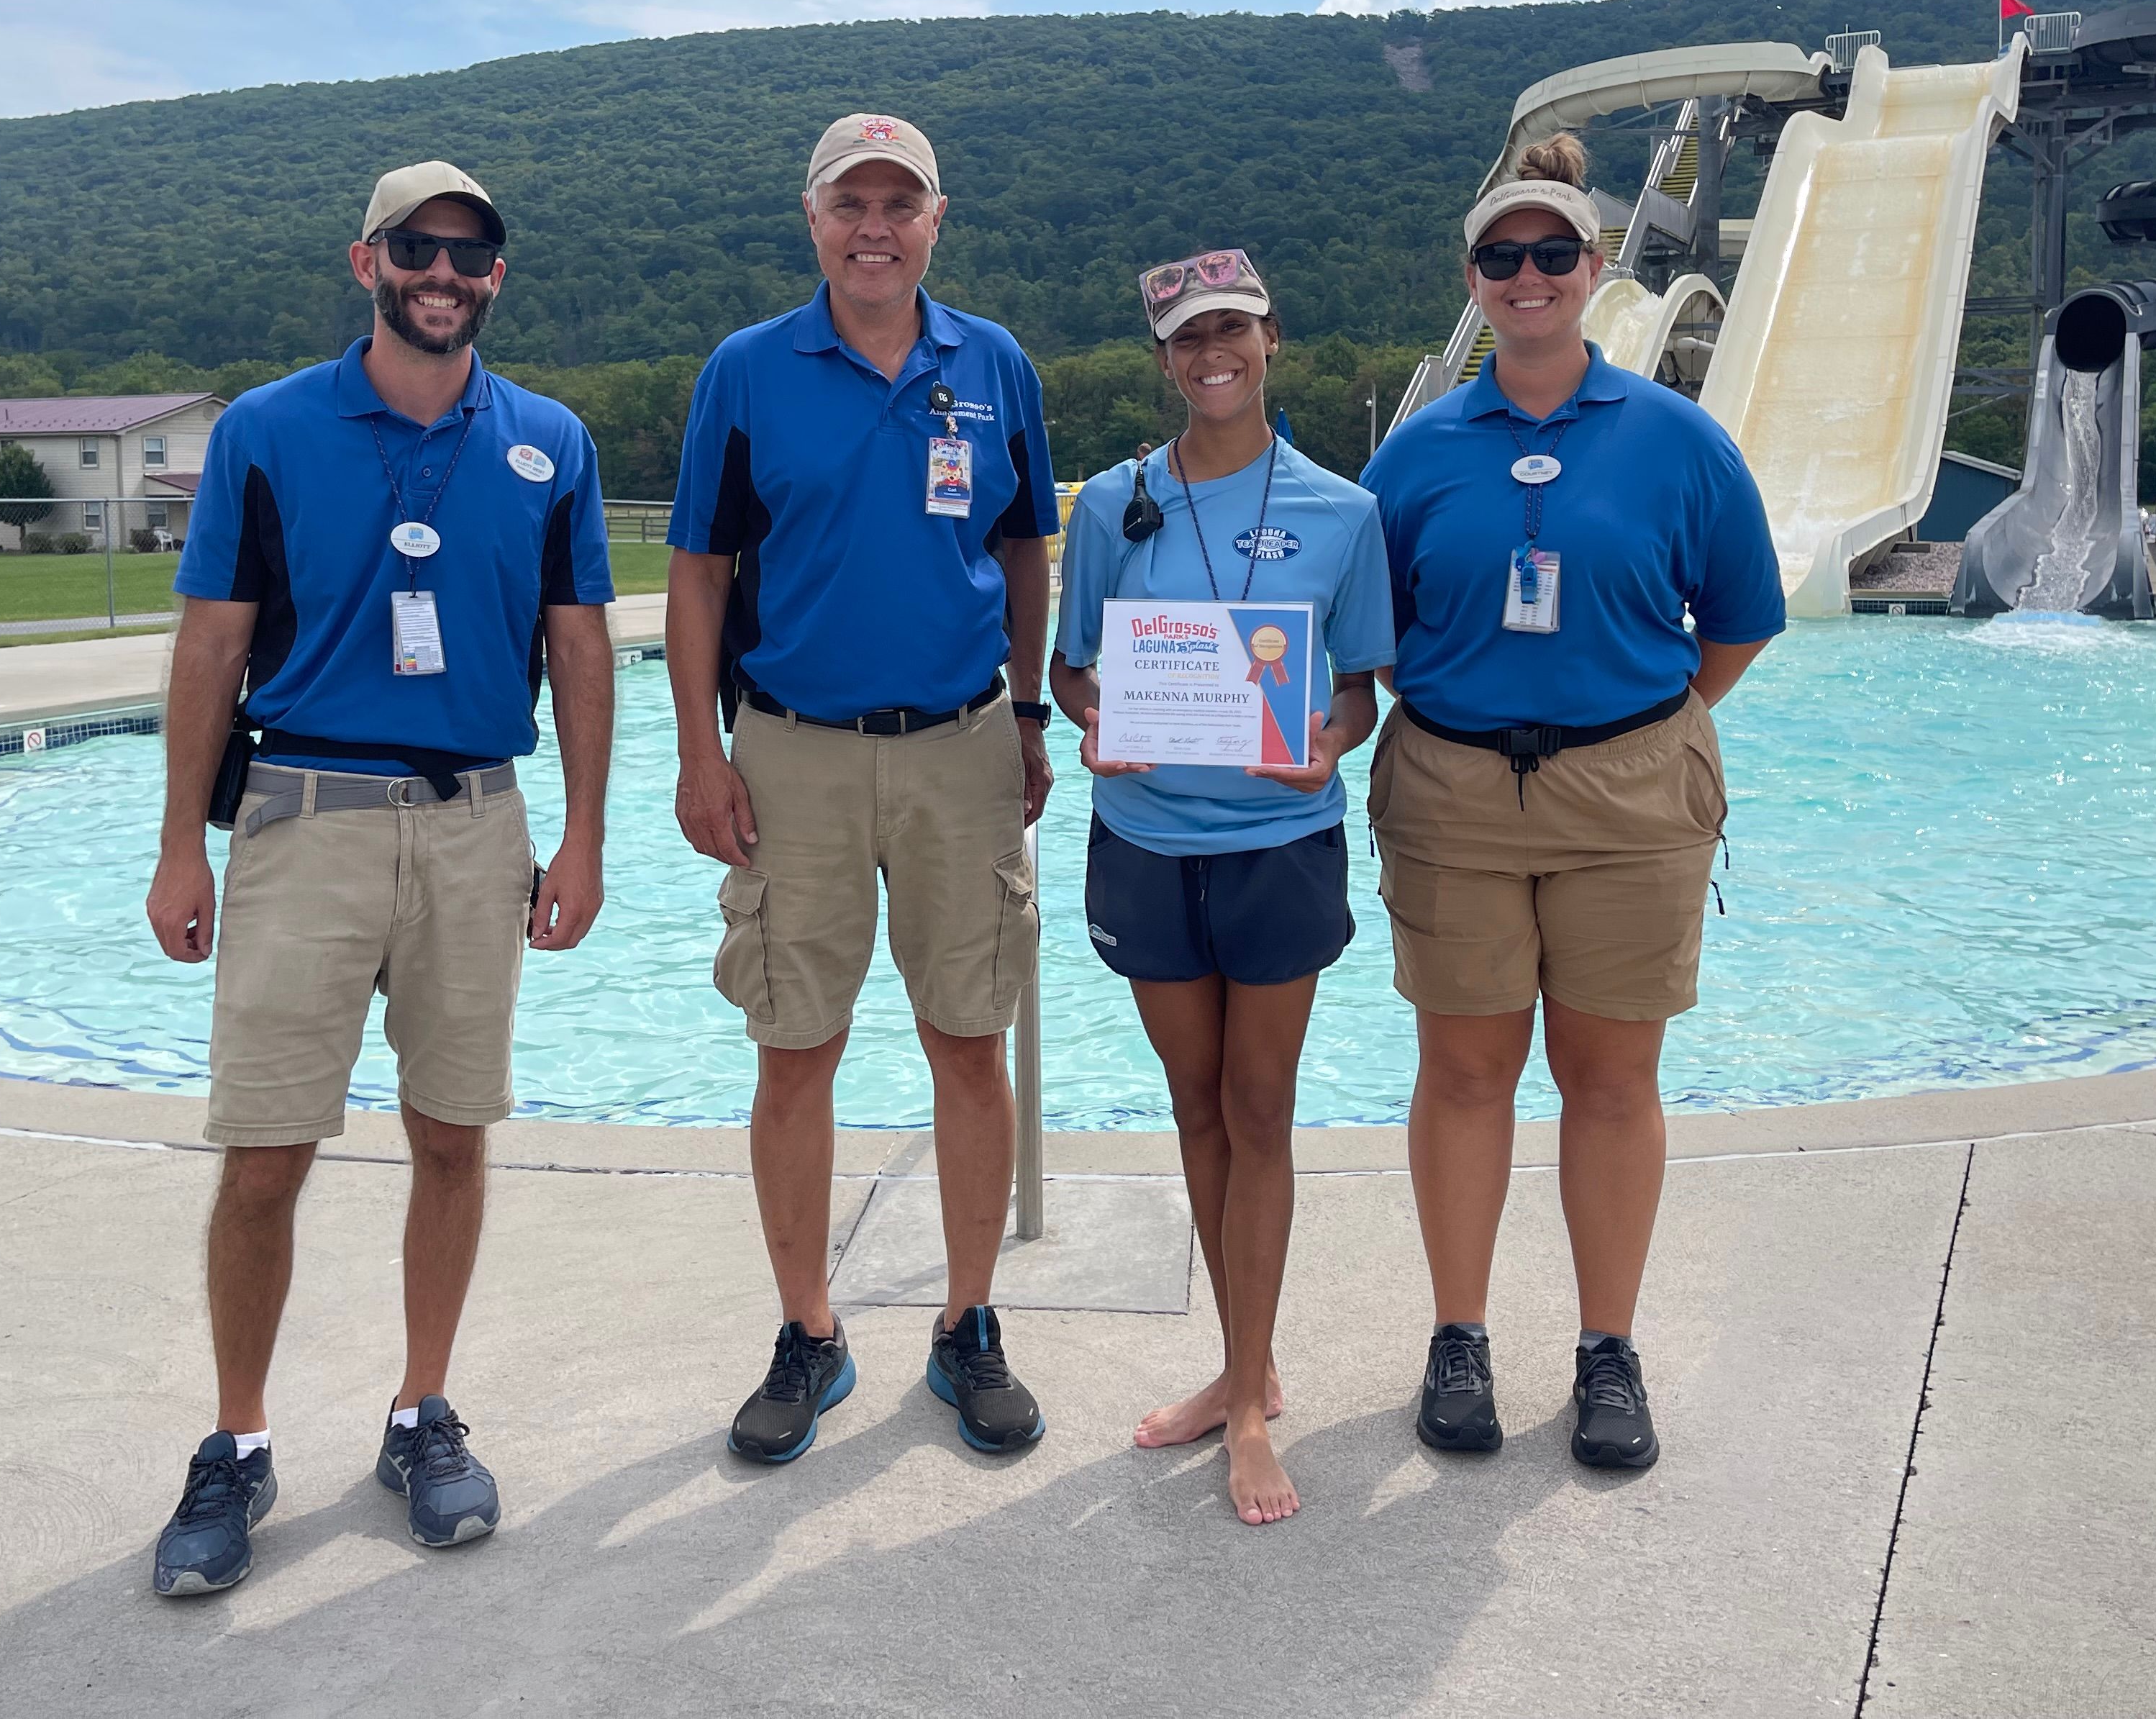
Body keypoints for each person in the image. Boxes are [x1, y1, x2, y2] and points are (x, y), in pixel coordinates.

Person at [141, 160, 617, 1595]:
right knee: (269, 1152)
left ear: (497, 278)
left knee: (455, 1134)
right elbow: (212, 643)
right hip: (305, 810)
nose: (444, 272)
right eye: (419, 246)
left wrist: (584, 835)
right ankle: (234, 1441)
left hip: (477, 817)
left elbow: (582, 647)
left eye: (471, 254)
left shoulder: (548, 441)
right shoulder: (272, 431)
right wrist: (180, 844)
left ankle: (422, 1412)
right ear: (367, 261)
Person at [1359, 134, 1783, 1472]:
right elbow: (1368, 636)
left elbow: (1737, 623)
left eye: (1554, 252)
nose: (1529, 274)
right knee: (1466, 1068)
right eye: (1503, 257)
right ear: (1475, 282)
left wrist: (1636, 725)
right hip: (1455, 785)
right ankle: (1460, 1334)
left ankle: (1608, 1348)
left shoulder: (1678, 440)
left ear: (1595, 270)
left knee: (1611, 1079)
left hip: (1627, 783)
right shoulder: (1417, 453)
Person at [667, 113, 1060, 1464]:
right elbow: (701, 571)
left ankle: (967, 1321)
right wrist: (698, 752)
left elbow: (1022, 547)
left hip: (960, 743)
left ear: (936, 219)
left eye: (901, 202)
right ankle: (808, 1327)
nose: (875, 226)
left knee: (969, 1037)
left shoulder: (993, 363)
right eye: (853, 203)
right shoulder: (749, 370)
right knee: (796, 1044)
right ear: (813, 216)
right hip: (794, 746)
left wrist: (1025, 709)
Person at [1049, 249, 1393, 1527]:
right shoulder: (1112, 505)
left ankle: (1247, 1402)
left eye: (1233, 328)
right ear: (1162, 355)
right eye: (1188, 335)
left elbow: (1358, 683)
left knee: (1260, 1106)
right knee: (1195, 1106)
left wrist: (1331, 739)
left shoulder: (1342, 512)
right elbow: (1075, 664)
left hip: (1274, 838)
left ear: (1269, 335)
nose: (1213, 353)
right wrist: (1096, 720)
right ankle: (1244, 1364)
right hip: (1145, 834)